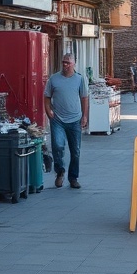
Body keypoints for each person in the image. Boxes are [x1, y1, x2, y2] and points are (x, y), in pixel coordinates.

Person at [44, 53, 88, 189]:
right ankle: (60, 172)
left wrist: (85, 116)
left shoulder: (79, 79)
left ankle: (73, 178)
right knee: (57, 146)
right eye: (63, 62)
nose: (65, 65)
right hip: (57, 119)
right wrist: (48, 110)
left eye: (68, 63)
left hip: (75, 119)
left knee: (76, 151)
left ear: (74, 64)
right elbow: (47, 96)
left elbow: (84, 98)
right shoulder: (54, 79)